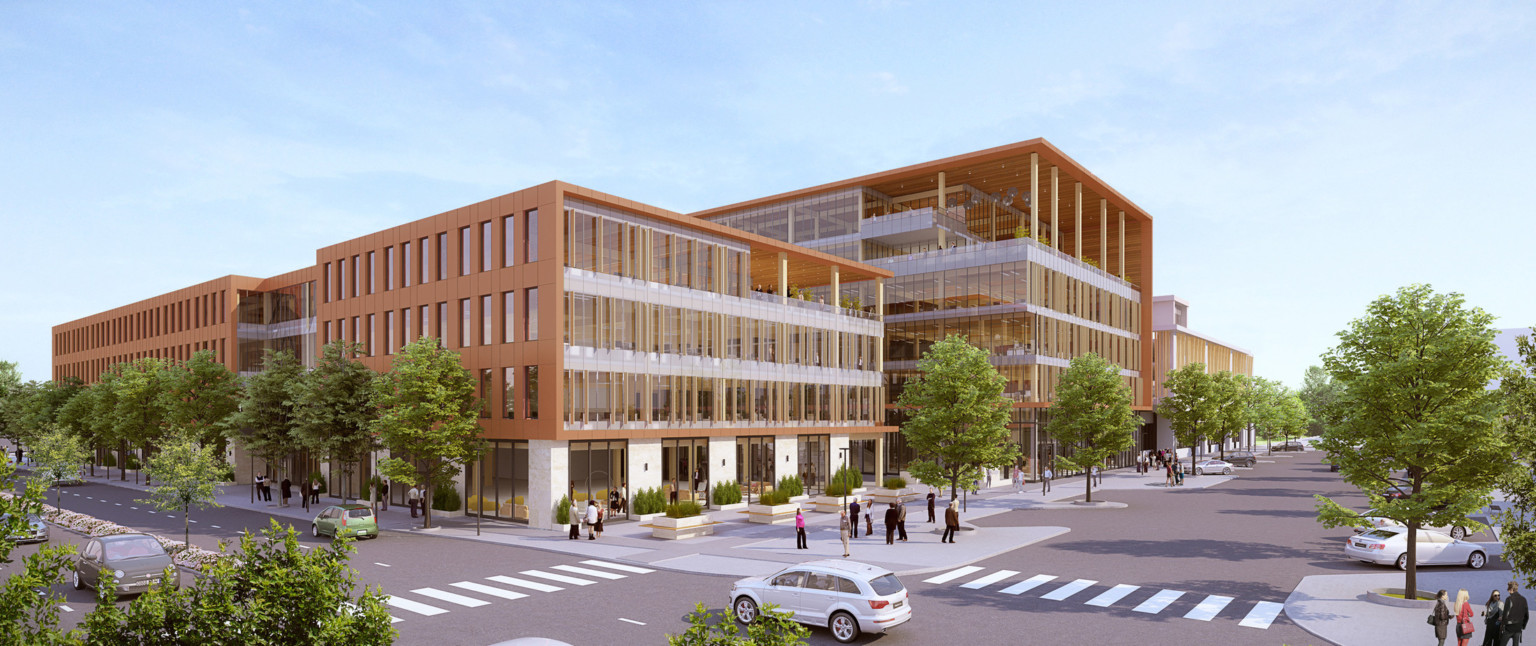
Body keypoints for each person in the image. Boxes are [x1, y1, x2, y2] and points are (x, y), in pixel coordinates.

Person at [1505, 580, 1529, 646]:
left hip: (1509, 628)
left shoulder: (1509, 599)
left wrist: (1503, 626)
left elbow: (1505, 615)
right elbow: (1526, 615)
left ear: (1512, 589)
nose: (1508, 591)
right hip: (1518, 628)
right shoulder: (1524, 599)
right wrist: (1523, 626)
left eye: (1508, 589)